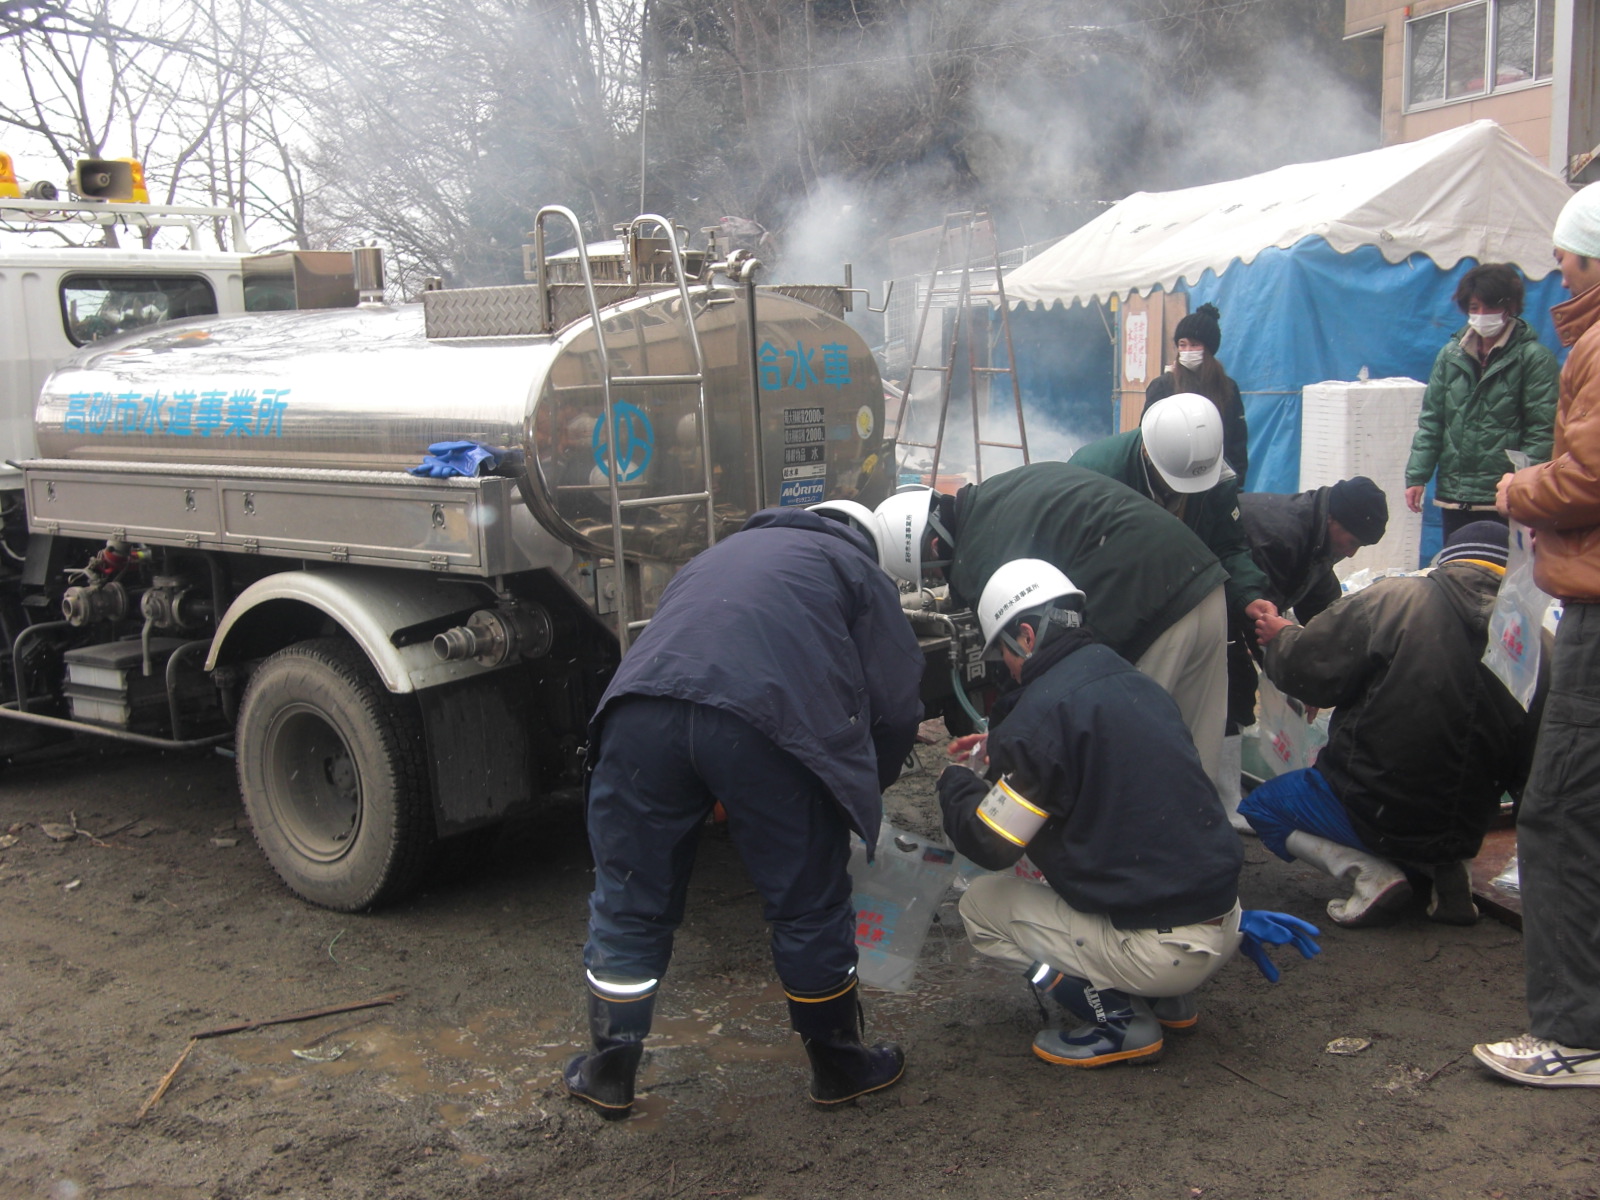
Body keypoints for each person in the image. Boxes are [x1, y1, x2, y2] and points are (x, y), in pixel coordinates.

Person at [564, 504, 924, 1118]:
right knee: (806, 901)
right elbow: (895, 709)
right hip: (763, 721)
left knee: (630, 896)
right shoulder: (858, 570)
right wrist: (858, 790)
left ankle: (608, 1070)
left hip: (637, 714)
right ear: (865, 540)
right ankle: (839, 1066)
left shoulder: (713, 556)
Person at [937, 559, 1317, 1068]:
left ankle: (1117, 1016)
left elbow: (992, 844)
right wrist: (1003, 744)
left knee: (982, 908)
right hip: (1224, 920)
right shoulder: (1127, 680)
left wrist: (955, 786)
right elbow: (1097, 758)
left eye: (1003, 652)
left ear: (1025, 635)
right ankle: (1166, 1002)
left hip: (1162, 949)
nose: (1006, 666)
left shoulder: (1038, 719)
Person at [1242, 522, 1538, 929]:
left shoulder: (1396, 599)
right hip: (1466, 826)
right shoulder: (1531, 640)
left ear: (1447, 560)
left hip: (1373, 805)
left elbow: (1309, 670)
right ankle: (1448, 871)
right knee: (1446, 795)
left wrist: (1282, 638)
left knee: (1263, 807)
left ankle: (1368, 874)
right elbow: (1536, 766)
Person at [874, 461, 1232, 795]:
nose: (940, 578)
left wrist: (1002, 743)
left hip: (1150, 608)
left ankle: (1143, 856)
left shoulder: (980, 558)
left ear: (933, 544)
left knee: (1130, 760)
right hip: (1203, 579)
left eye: (933, 572)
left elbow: (1020, 668)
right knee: (1197, 753)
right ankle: (1203, 844)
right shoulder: (997, 495)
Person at [1476, 182, 1600, 1088]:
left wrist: (1521, 491)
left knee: (1556, 813)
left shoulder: (1593, 345)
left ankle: (1574, 1032)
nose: (1556, 269)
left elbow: (1590, 476)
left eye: (1563, 255)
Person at [1221, 478, 1390, 829]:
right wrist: (1299, 680)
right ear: (1335, 521)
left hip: (1246, 593)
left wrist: (1330, 667)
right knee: (1232, 685)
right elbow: (1259, 621)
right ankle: (1224, 802)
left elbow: (1325, 613)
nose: (1353, 554)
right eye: (1353, 542)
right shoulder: (1282, 536)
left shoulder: (1317, 536)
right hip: (1217, 592)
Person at [1404, 263, 1559, 541]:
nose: (1481, 315)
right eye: (1474, 307)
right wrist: (1417, 476)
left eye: (1490, 307)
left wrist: (1523, 486)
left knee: (1499, 576)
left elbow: (1541, 430)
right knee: (1455, 573)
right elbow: (1432, 422)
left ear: (1510, 306)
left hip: (1503, 498)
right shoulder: (1451, 355)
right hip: (1455, 496)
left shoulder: (1534, 359)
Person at [1142, 302, 1250, 479]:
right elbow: (1146, 436)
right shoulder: (1162, 386)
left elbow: (1238, 441)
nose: (1187, 351)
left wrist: (1236, 482)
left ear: (1209, 348)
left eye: (1194, 345)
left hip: (1217, 478)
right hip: (1172, 476)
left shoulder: (1227, 388)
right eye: (1182, 345)